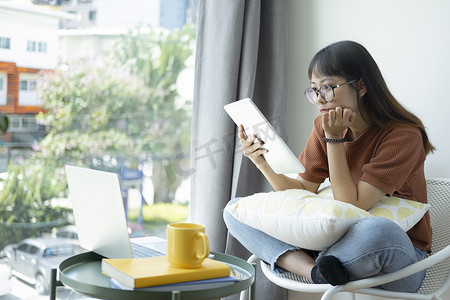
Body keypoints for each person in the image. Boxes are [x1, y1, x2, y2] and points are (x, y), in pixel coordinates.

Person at [223, 40, 434, 292]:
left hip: (402, 260)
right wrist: (261, 162)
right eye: (314, 90)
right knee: (234, 211)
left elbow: (352, 205)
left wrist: (334, 139)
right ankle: (316, 273)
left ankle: (323, 264)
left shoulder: (404, 136)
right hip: (334, 251)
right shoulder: (323, 126)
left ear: (362, 86)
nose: (319, 99)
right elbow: (301, 189)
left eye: (328, 88)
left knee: (377, 229)